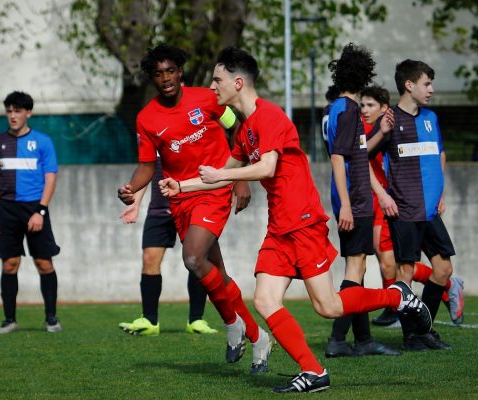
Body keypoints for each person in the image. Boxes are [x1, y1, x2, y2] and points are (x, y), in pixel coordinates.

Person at [159, 46, 432, 394]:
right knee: (265, 300)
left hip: (302, 221)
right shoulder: (244, 131)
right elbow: (223, 172)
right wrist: (180, 185)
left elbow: (267, 167)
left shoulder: (269, 116)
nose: (212, 87)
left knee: (328, 306)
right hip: (279, 228)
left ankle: (398, 298)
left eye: (218, 80)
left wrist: (222, 177)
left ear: (238, 82)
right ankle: (313, 371)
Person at [116, 44, 273, 374]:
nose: (166, 78)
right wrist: (132, 188)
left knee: (191, 257)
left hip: (213, 190)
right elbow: (146, 166)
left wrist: (239, 178)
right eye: (158, 73)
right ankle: (257, 337)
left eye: (170, 70)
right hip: (180, 197)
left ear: (181, 71)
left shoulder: (207, 98)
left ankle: (234, 324)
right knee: (216, 272)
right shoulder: (147, 118)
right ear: (152, 78)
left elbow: (238, 127)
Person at [368, 59, 459, 351]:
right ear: (409, 85)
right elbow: (362, 155)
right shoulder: (390, 119)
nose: (431, 89)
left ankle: (424, 329)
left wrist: (440, 191)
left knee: (443, 269)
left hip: (430, 210)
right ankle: (411, 336)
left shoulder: (431, 117)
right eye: (426, 83)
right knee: (405, 273)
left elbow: (439, 153)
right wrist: (383, 195)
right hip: (405, 209)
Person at [323, 44, 399, 358]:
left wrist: (378, 133)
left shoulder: (334, 108)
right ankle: (338, 340)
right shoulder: (349, 109)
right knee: (354, 269)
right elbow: (339, 158)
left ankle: (364, 338)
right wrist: (347, 205)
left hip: (351, 197)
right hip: (353, 197)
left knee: (360, 267)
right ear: (363, 75)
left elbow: (354, 152)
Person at [0, 91, 62, 334]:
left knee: (44, 263)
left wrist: (40, 210)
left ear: (28, 113)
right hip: (6, 209)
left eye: (17, 111)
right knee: (9, 264)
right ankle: (10, 320)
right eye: (9, 111)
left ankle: (51, 318)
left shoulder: (43, 141)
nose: (13, 116)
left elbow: (50, 178)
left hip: (34, 208)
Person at [118, 156, 217, 335]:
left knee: (197, 260)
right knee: (149, 258)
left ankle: (196, 320)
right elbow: (146, 170)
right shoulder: (151, 133)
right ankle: (149, 321)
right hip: (159, 209)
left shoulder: (196, 131)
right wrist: (136, 203)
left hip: (192, 205)